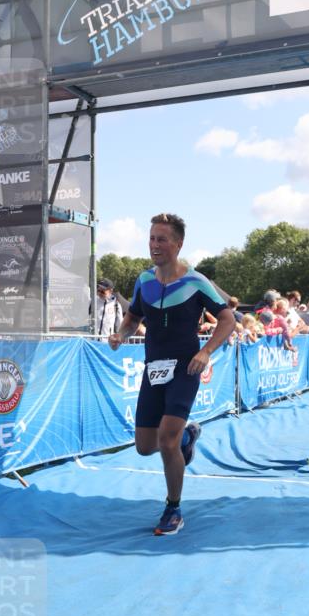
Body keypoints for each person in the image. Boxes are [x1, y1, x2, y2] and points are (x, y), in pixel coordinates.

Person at [109, 213, 235, 536]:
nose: (155, 244)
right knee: (144, 445)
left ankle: (173, 508)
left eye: (162, 239)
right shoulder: (143, 281)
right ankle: (188, 439)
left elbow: (228, 319)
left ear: (178, 244)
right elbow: (133, 316)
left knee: (166, 439)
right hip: (154, 369)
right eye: (151, 238)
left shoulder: (195, 281)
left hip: (185, 369)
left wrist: (206, 352)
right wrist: (121, 335)